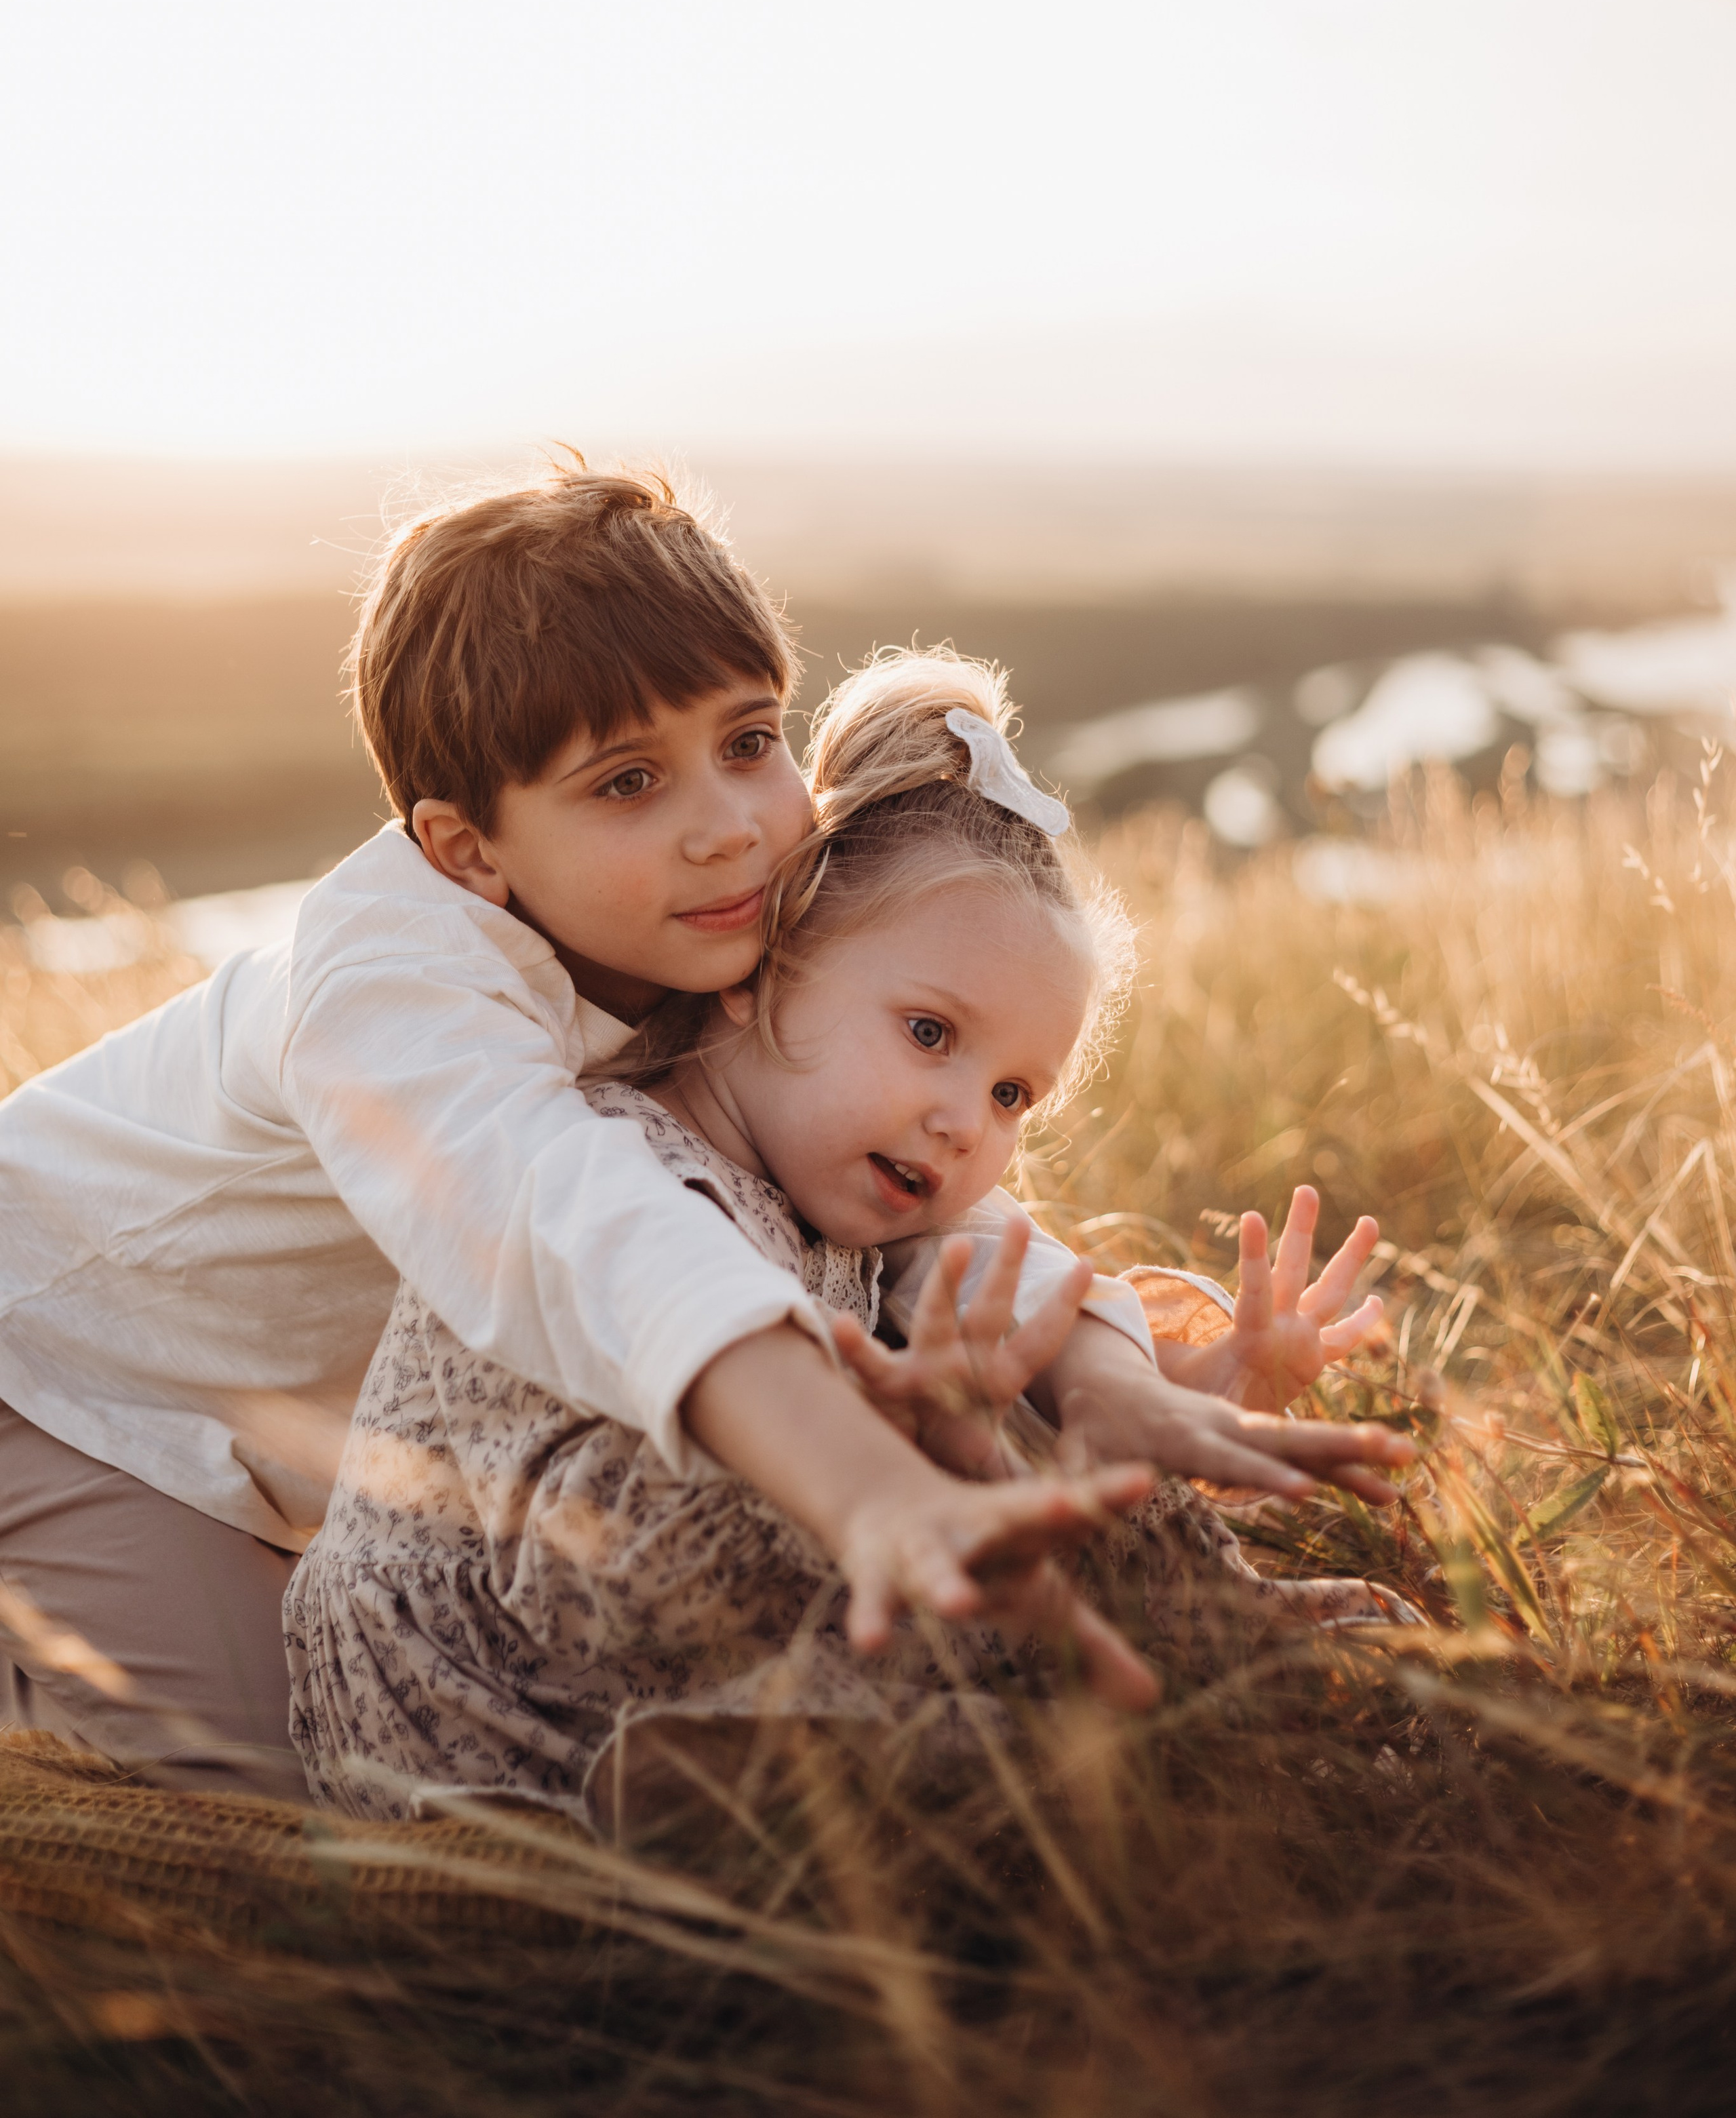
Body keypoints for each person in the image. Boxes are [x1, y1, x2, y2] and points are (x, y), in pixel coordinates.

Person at [0, 463, 1405, 1793]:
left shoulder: (697, 929)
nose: (728, 826)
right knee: (291, 1811)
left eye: (746, 743)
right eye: (627, 781)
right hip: (57, 1391)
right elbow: (572, 1223)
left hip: (276, 1436)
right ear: (466, 848)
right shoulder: (389, 988)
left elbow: (933, 1197)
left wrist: (1110, 1379)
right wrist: (867, 1497)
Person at [285, 650, 1412, 1823]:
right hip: (468, 1697)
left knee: (1008, 1461)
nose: (963, 1122)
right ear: (765, 970)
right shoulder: (629, 1180)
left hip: (651, 1669)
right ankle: (768, 1771)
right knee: (979, 1623)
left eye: (1014, 1095)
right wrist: (900, 1440)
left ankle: (1204, 1628)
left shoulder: (843, 1205)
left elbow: (1007, 1299)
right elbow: (603, 1555)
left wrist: (1175, 1386)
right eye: (930, 1033)